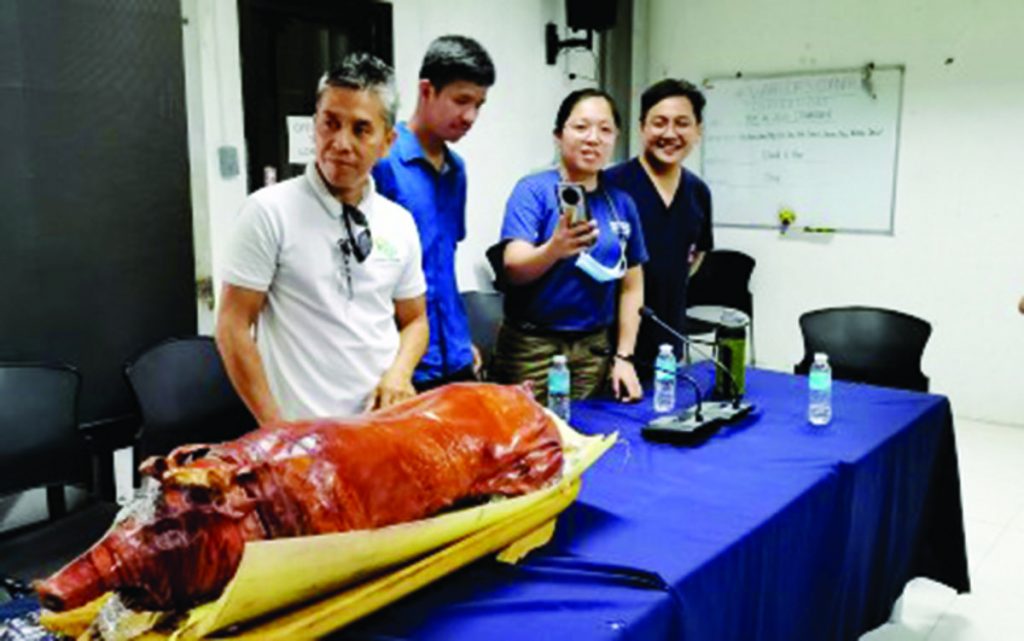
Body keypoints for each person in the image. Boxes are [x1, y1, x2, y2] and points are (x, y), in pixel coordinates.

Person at [216, 53, 428, 423]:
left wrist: (399, 373)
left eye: (361, 129)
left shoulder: (400, 222)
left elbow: (415, 320)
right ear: (314, 125)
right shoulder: (268, 211)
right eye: (330, 124)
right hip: (302, 437)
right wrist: (276, 430)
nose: (340, 143)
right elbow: (232, 326)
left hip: (380, 429)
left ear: (387, 141)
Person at [492, 88, 647, 404]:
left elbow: (632, 287)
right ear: (558, 135)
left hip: (593, 348)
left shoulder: (621, 204)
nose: (593, 138)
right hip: (532, 346)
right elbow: (513, 266)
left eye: (605, 130)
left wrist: (625, 357)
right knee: (527, 439)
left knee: (586, 434)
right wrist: (554, 249)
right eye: (581, 127)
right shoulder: (533, 190)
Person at [373, 35, 495, 391]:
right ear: (426, 91)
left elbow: (443, 264)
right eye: (461, 101)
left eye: (479, 104)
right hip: (400, 366)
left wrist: (458, 340)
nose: (470, 116)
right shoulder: (384, 160)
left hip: (454, 357)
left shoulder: (457, 171)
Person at [605, 78, 714, 366]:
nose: (670, 133)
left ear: (698, 130)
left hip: (668, 341)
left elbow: (697, 254)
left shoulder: (698, 192)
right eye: (659, 122)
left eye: (682, 123)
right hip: (608, 347)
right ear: (642, 126)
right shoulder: (610, 185)